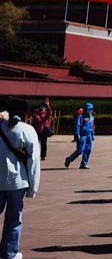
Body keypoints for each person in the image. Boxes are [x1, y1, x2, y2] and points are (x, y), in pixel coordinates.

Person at [0, 98, 40, 259]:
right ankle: (9, 253)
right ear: (26, 114)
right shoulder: (27, 130)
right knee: (14, 219)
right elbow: (33, 161)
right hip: (17, 182)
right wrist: (33, 187)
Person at [65, 102, 95, 169]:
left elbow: (92, 126)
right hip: (82, 135)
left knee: (88, 149)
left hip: (89, 135)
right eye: (88, 109)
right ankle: (69, 159)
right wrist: (77, 134)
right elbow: (77, 125)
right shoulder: (81, 116)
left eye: (91, 109)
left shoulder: (91, 117)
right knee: (80, 150)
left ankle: (84, 164)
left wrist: (93, 135)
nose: (89, 111)